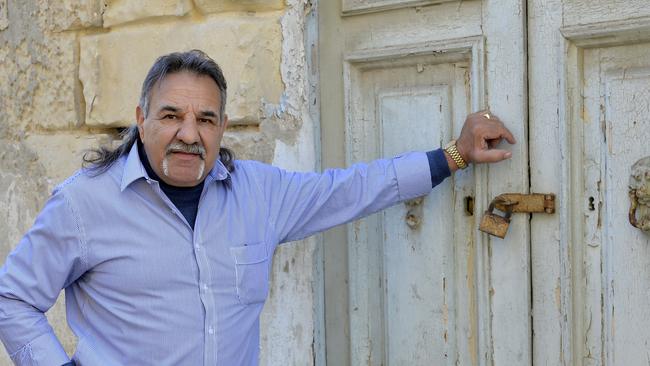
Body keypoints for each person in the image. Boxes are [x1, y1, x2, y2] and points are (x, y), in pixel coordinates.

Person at [0, 50, 515, 366]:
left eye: (205, 118)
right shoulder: (84, 203)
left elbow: (351, 189)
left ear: (222, 126)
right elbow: (13, 299)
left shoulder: (257, 194)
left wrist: (454, 155)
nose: (188, 133)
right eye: (171, 114)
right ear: (141, 118)